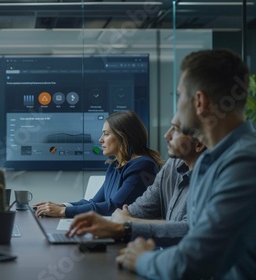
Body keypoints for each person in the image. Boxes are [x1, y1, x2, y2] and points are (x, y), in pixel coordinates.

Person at [76, 49, 256, 279]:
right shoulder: (210, 162)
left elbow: (193, 260)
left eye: (179, 95)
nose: (177, 106)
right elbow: (193, 231)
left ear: (200, 102)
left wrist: (142, 258)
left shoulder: (244, 164)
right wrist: (125, 228)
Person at [66, 112, 205, 247]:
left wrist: (126, 224)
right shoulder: (171, 165)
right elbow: (137, 209)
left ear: (198, 143)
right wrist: (65, 206)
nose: (166, 135)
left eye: (176, 130)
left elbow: (190, 230)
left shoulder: (144, 165)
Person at [34, 111, 163, 218]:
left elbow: (114, 207)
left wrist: (63, 212)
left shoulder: (144, 166)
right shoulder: (115, 165)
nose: (100, 139)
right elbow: (95, 202)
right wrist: (62, 206)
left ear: (124, 137)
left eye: (106, 134)